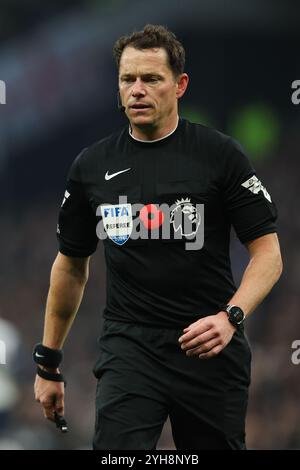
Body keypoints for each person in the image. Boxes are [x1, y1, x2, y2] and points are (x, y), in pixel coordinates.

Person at [34, 24, 283, 450]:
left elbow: (269, 254)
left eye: (150, 79)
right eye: (127, 79)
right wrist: (48, 363)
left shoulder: (219, 155)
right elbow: (71, 265)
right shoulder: (92, 166)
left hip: (208, 347)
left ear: (179, 85)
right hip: (129, 350)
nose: (137, 90)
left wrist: (231, 317)